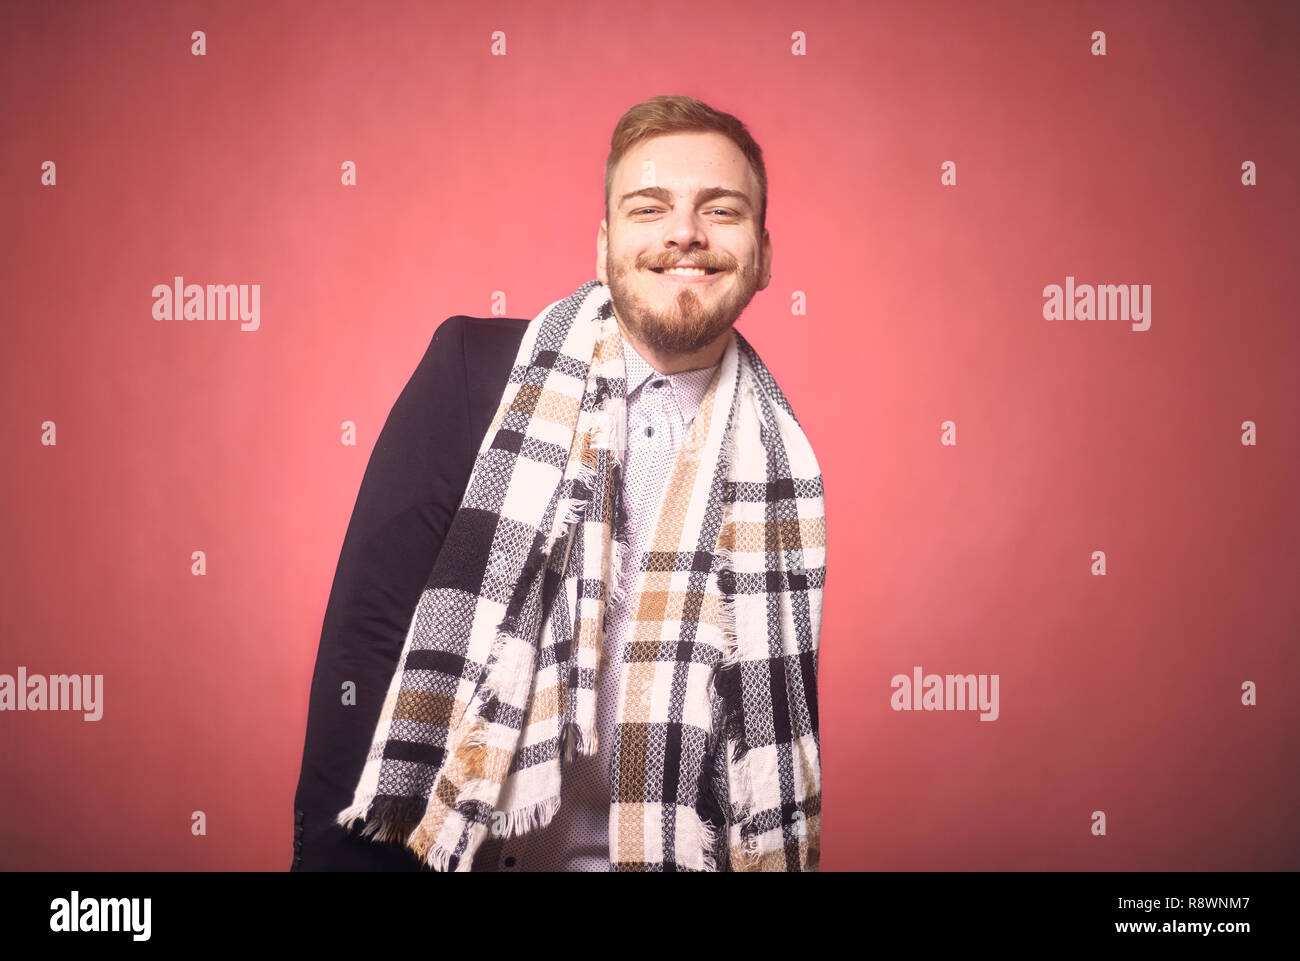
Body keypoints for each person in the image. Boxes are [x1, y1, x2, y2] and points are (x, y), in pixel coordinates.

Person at [291, 94, 826, 872]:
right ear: (605, 243)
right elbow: (369, 640)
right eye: (650, 208)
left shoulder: (784, 472)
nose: (686, 232)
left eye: (722, 209)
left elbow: (768, 738)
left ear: (765, 254)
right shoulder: (476, 374)